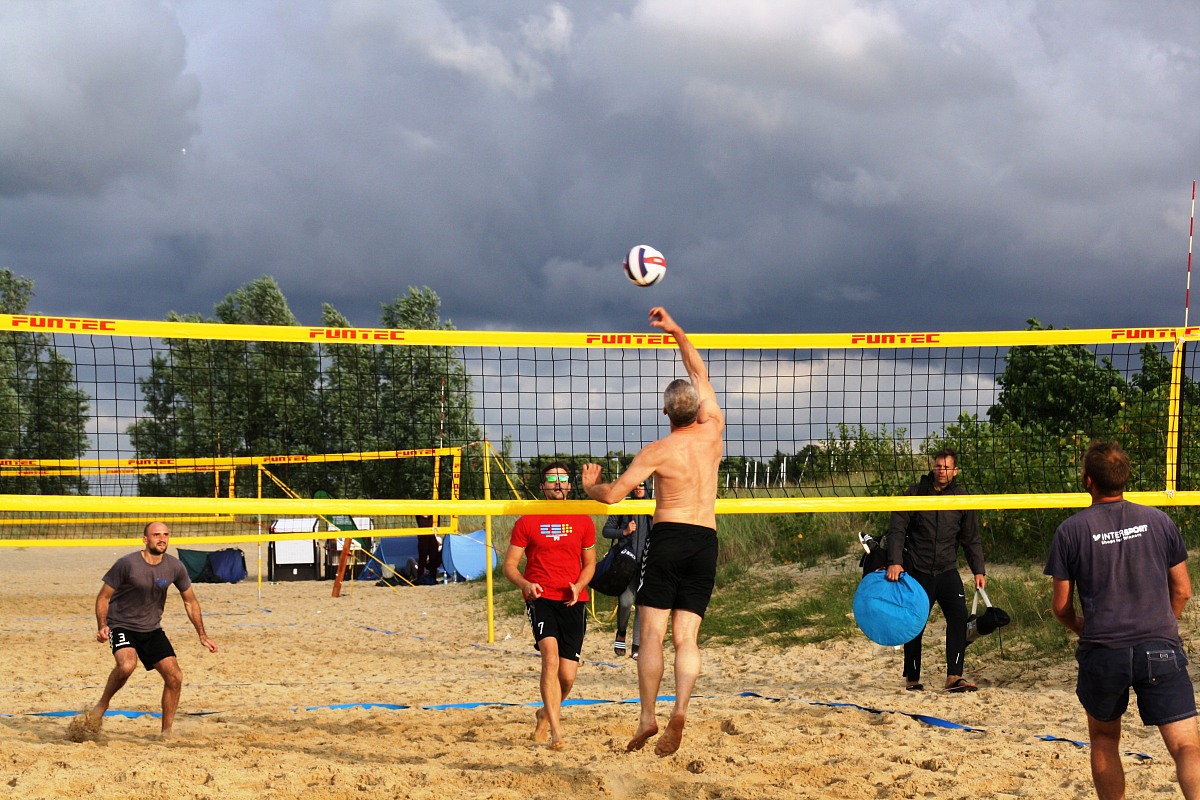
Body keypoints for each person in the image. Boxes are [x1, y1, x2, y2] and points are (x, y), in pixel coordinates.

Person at [582, 306, 724, 757]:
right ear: (699, 408)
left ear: (665, 411)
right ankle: (680, 709)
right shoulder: (714, 431)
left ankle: (648, 716)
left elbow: (612, 497)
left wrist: (589, 485)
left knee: (651, 633)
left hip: (669, 538)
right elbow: (699, 371)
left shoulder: (657, 451)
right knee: (687, 638)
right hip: (705, 540)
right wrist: (677, 330)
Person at [1045, 440, 1200, 799]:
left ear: (1088, 480)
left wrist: (1079, 626)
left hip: (1104, 650)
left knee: (1103, 740)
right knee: (1186, 746)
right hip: (1159, 647)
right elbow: (1183, 590)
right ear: (1126, 476)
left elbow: (1061, 607)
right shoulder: (1159, 520)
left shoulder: (1070, 530)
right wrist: (1161, 627)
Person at [86, 521, 218, 738]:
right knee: (127, 665)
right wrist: (102, 625)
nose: (162, 539)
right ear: (145, 539)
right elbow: (103, 597)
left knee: (175, 677)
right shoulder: (127, 564)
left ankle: (166, 733)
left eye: (165, 534)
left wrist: (202, 635)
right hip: (122, 624)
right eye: (156, 535)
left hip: (151, 629)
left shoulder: (175, 566)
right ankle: (102, 705)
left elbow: (190, 601)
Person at [502, 462, 597, 750]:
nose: (558, 483)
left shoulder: (583, 519)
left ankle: (544, 714)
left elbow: (590, 564)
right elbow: (510, 565)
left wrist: (579, 585)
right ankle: (556, 731)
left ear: (570, 485)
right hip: (541, 598)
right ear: (542, 486)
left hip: (573, 599)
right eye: (552, 479)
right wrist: (525, 584)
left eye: (563, 479)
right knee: (550, 660)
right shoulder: (528, 520)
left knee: (567, 677)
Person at [885, 447, 986, 692]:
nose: (942, 470)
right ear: (933, 467)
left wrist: (978, 570)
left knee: (959, 619)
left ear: (955, 470)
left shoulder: (962, 498)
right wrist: (895, 561)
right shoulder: (915, 493)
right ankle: (912, 679)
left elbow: (971, 538)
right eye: (938, 466)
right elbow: (897, 529)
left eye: (947, 467)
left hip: (947, 569)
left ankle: (954, 676)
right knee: (915, 623)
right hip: (918, 570)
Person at [601, 480, 652, 659]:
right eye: (635, 484)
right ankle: (621, 631)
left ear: (647, 486)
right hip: (626, 564)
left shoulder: (654, 506)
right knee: (625, 602)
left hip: (648, 563)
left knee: (642, 605)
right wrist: (624, 532)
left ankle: (637, 645)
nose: (638, 487)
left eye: (642, 484)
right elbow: (606, 531)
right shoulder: (623, 505)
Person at [415, 514, 441, 583]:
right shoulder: (419, 514)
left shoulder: (435, 514)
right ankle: (420, 578)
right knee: (422, 559)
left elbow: (438, 525)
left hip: (432, 537)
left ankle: (433, 578)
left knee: (434, 559)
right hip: (423, 538)